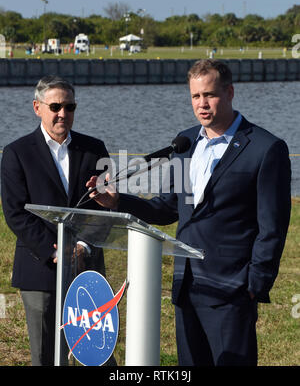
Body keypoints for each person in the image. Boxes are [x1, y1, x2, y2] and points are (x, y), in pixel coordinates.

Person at [86, 59, 291, 366]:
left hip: (232, 289)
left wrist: (254, 285)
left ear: (230, 92)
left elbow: (272, 226)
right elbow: (168, 207)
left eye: (209, 95)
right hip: (187, 286)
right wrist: (118, 202)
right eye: (195, 96)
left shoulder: (265, 148)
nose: (202, 104)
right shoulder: (185, 143)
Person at [1, 76, 111, 366]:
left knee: (96, 351)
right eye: (55, 106)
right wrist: (55, 251)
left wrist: (83, 247)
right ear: (38, 107)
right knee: (46, 354)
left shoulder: (95, 149)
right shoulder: (16, 153)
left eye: (69, 106)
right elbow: (15, 212)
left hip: (87, 268)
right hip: (40, 269)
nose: (63, 113)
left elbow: (105, 207)